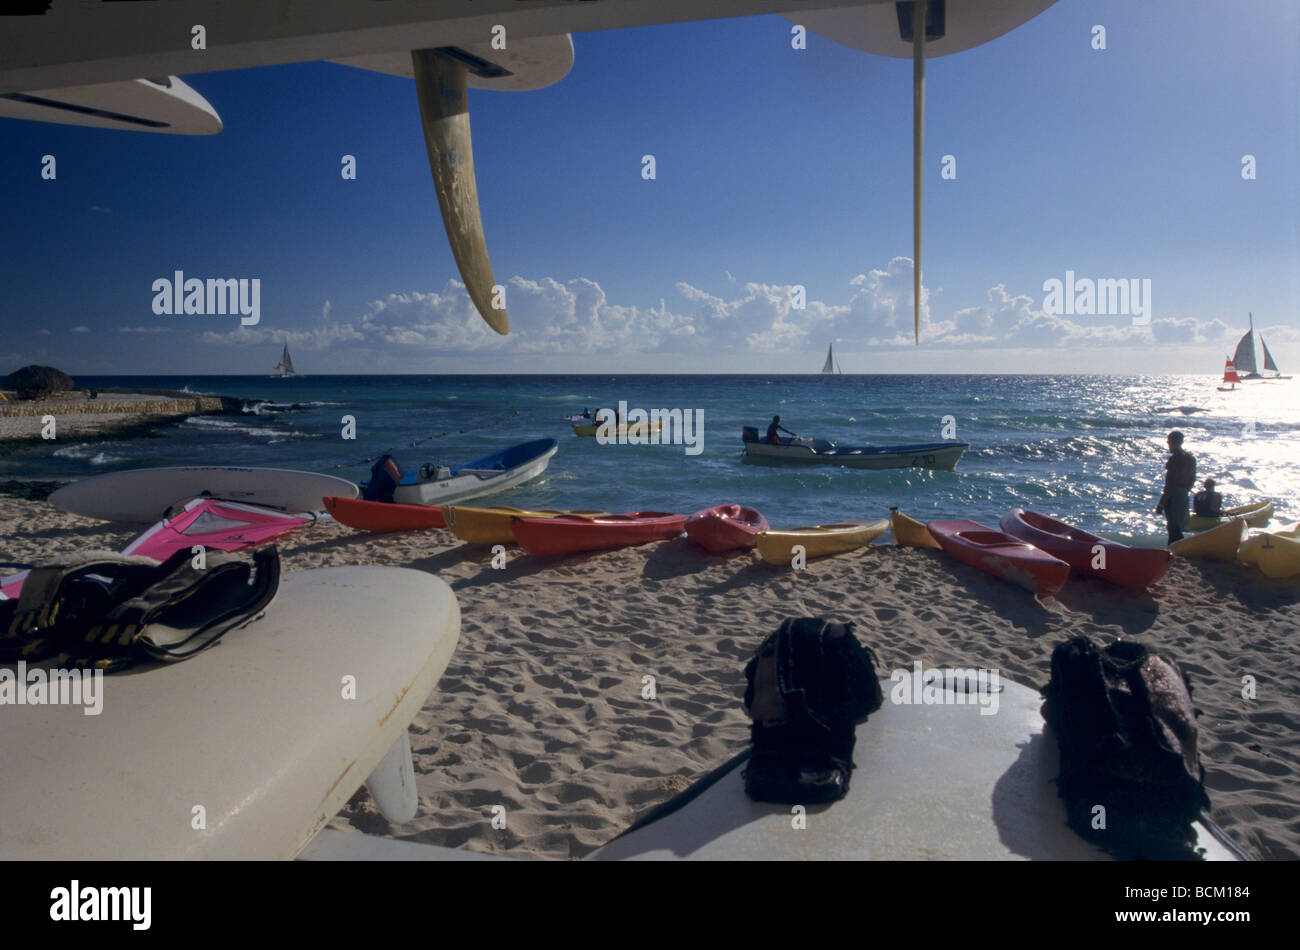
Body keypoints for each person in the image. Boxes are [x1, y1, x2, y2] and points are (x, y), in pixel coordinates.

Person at [1155, 431, 1197, 543]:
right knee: (1178, 525)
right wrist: (1184, 490)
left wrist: (1161, 503)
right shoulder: (1190, 459)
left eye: (1169, 442)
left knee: (1173, 527)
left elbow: (1170, 483)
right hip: (1183, 493)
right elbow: (1192, 479)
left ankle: (1174, 550)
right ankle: (1178, 549)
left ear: (1173, 442)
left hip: (1174, 493)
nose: (1167, 444)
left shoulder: (1174, 459)